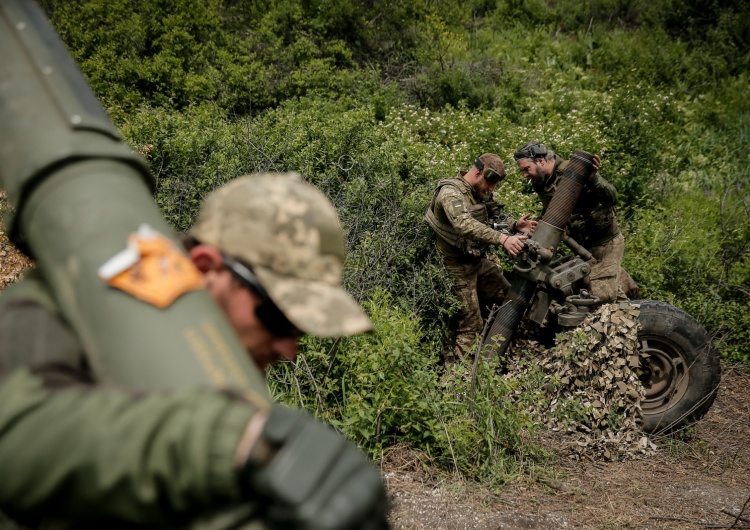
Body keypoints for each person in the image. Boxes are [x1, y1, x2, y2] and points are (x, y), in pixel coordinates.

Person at [0, 173, 390, 529]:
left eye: (301, 328)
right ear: (206, 268)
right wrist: (234, 440)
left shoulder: (227, 352)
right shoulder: (68, 301)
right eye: (278, 319)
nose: (289, 349)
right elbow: (19, 441)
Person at [425, 153, 536, 367]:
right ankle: (458, 382)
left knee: (508, 298)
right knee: (470, 326)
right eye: (490, 182)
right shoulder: (450, 193)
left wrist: (514, 225)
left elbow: (492, 216)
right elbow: (463, 224)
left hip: (476, 261)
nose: (492, 188)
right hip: (456, 268)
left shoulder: (479, 192)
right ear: (478, 172)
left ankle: (500, 354)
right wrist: (503, 239)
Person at [513, 142, 627, 303]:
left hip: (605, 244)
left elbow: (612, 197)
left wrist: (594, 179)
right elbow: (553, 212)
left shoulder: (573, 170)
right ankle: (639, 324)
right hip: (582, 248)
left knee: (601, 299)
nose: (525, 175)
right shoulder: (543, 182)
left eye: (526, 169)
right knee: (607, 295)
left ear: (540, 161)